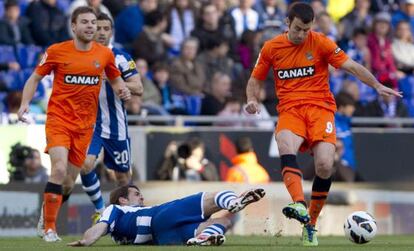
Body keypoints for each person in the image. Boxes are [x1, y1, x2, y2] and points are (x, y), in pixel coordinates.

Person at [245, 2, 401, 246]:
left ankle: (311, 224)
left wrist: (376, 85)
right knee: (285, 144)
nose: (302, 35)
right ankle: (298, 202)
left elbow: (351, 66)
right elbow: (255, 79)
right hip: (290, 109)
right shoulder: (271, 47)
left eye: (306, 30)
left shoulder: (320, 42)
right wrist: (252, 100)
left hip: (320, 109)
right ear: (287, 23)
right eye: (297, 29)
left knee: (326, 165)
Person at [17, 6, 132, 242]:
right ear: (74, 26)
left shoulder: (104, 55)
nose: (91, 26)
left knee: (68, 183)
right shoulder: (57, 51)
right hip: (59, 120)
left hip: (85, 127)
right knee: (58, 169)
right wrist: (24, 104)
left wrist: (122, 90)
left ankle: (45, 216)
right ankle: (50, 228)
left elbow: (116, 79)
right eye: (86, 22)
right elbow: (35, 77)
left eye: (93, 22)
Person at [66, 12, 143, 224]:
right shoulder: (79, 55)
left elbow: (138, 87)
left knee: (123, 178)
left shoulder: (121, 58)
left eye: (105, 29)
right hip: (89, 124)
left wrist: (115, 82)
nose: (101, 33)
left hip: (115, 124)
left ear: (111, 32)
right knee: (85, 164)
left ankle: (130, 219)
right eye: (97, 28)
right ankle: (101, 209)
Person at [68, 185, 265, 246]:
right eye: (136, 194)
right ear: (122, 200)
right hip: (161, 216)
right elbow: (99, 227)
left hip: (162, 238)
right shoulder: (114, 209)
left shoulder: (119, 231)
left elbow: (104, 229)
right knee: (212, 198)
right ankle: (233, 202)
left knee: (223, 220)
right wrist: (87, 240)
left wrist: (88, 240)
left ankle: (203, 238)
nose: (142, 197)